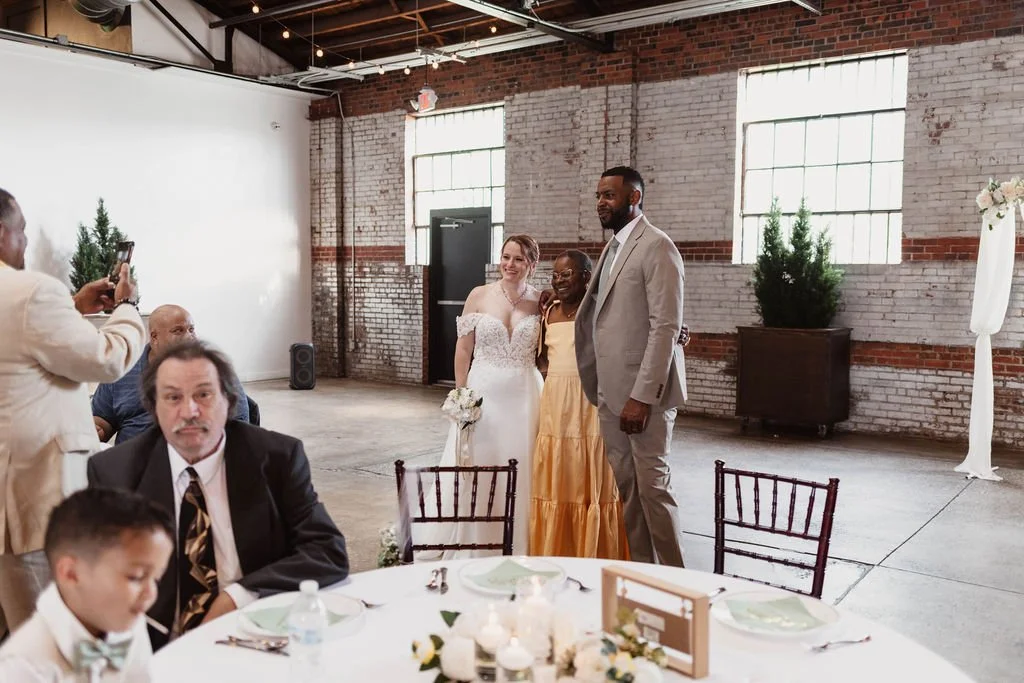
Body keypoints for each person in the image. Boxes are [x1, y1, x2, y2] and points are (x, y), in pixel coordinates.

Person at [86, 339, 349, 649]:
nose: (190, 411)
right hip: (159, 651)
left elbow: (327, 551)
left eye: (204, 394)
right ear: (153, 407)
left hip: (255, 638)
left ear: (229, 401)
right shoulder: (115, 472)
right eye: (172, 397)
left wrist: (238, 595)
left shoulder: (276, 458)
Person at [0, 188, 145, 637]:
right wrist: (126, 308)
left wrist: (73, 307)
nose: (24, 242)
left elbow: (22, 349)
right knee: (55, 634)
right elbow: (107, 358)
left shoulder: (28, 299)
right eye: (21, 230)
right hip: (35, 495)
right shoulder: (30, 291)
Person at [575, 166, 688, 567]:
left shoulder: (657, 246)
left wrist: (642, 396)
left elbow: (666, 325)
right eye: (598, 196)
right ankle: (643, 575)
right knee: (628, 491)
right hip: (609, 392)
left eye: (609, 195)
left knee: (653, 490)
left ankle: (676, 582)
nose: (601, 203)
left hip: (643, 398)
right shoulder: (614, 247)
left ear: (634, 198)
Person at [418, 234, 544, 559]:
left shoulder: (542, 300)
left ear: (532, 263)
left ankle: (518, 541)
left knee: (521, 463)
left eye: (518, 259)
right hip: (484, 393)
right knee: (481, 460)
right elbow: (463, 349)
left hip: (526, 396)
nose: (509, 265)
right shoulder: (479, 295)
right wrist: (463, 393)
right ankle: (475, 539)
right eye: (505, 257)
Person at [0, 488, 174, 681]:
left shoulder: (127, 619)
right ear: (71, 573)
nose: (151, 593)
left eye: (156, 578)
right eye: (136, 577)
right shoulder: (23, 667)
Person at [530, 250, 630, 560]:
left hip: (590, 400)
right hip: (555, 403)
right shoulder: (549, 313)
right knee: (558, 472)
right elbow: (543, 359)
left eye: (567, 274)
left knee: (591, 472)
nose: (558, 280)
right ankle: (556, 548)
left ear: (587, 277)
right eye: (555, 275)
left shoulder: (601, 311)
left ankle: (594, 551)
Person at [92, 305, 249, 445]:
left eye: (191, 329)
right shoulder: (122, 368)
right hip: (134, 465)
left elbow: (240, 426)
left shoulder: (216, 369)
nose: (189, 337)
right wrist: (97, 430)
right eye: (178, 331)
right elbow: (102, 419)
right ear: (154, 337)